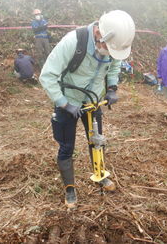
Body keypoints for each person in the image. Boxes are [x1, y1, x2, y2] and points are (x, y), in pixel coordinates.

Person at [39, 10, 136, 209]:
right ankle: (70, 187)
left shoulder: (114, 43)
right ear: (100, 34)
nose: (109, 53)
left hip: (93, 100)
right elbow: (47, 76)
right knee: (66, 147)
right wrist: (64, 103)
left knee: (96, 141)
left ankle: (99, 174)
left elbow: (115, 65)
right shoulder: (72, 42)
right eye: (108, 48)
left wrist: (111, 89)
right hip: (68, 100)